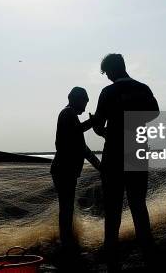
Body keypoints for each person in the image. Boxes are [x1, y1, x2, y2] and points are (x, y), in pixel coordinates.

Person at [91, 53, 159, 271]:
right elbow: (154, 113)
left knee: (113, 207)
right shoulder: (143, 88)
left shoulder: (108, 92)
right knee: (138, 204)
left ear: (111, 70)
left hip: (114, 154)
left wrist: (100, 129)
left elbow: (100, 122)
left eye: (106, 72)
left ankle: (111, 254)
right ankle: (148, 253)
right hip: (138, 151)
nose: (107, 77)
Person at [50, 87, 101, 254]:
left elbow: (83, 148)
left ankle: (67, 241)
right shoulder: (68, 113)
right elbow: (75, 135)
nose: (86, 107)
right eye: (85, 102)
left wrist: (99, 166)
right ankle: (66, 244)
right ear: (76, 99)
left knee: (67, 206)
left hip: (65, 170)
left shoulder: (71, 116)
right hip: (63, 169)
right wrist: (92, 123)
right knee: (66, 207)